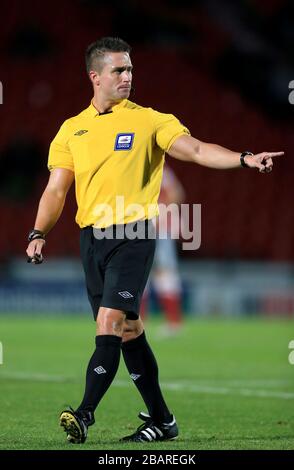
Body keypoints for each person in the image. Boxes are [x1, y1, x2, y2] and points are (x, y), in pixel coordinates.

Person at [26, 37, 283, 444]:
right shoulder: (71, 130)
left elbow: (197, 150)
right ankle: (162, 420)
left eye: (130, 69)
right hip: (91, 240)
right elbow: (57, 191)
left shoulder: (149, 120)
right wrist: (39, 232)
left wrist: (243, 158)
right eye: (118, 70)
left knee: (108, 323)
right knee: (128, 330)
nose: (128, 77)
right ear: (95, 76)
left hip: (134, 234)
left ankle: (85, 414)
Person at [140, 164, 185, 334]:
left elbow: (176, 194)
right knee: (141, 274)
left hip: (161, 230)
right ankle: (141, 323)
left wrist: (159, 214)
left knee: (164, 273)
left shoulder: (161, 172)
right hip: (143, 229)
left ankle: (174, 322)